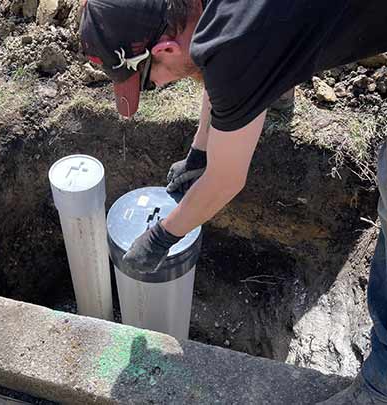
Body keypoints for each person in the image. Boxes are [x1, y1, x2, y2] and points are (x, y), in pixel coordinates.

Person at [80, 0, 387, 402]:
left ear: (166, 50)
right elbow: (217, 64)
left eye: (152, 82)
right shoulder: (208, 17)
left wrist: (160, 237)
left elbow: (226, 181)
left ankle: (381, 384)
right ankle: (274, 91)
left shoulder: (237, 45)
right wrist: (200, 152)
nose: (161, 87)